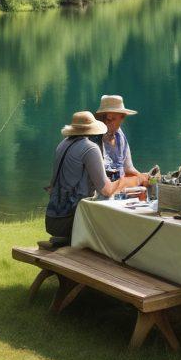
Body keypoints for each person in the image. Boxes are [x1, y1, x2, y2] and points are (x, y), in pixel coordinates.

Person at [43, 111, 151, 248]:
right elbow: (107, 190)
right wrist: (134, 180)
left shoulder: (62, 145)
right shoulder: (90, 148)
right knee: (121, 229)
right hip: (72, 221)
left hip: (52, 219)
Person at [94, 94, 141, 180]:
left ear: (122, 118)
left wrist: (144, 177)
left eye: (111, 119)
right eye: (105, 119)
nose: (107, 123)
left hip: (120, 188)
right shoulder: (93, 138)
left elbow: (129, 169)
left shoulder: (120, 137)